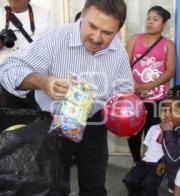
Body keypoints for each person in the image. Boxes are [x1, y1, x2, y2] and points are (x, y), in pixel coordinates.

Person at [0, 0, 133, 195]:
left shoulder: (118, 49)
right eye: (92, 26)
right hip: (54, 123)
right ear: (83, 15)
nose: (97, 38)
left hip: (94, 124)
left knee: (94, 186)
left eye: (107, 33)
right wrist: (43, 82)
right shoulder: (55, 38)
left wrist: (123, 116)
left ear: (117, 30)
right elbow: (8, 68)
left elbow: (124, 88)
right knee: (53, 184)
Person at [126, 5, 176, 165]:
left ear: (163, 24)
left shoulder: (168, 45)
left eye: (155, 19)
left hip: (157, 99)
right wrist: (135, 86)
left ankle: (148, 163)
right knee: (133, 131)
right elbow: (124, 65)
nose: (150, 22)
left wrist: (147, 86)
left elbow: (170, 71)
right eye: (148, 18)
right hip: (134, 97)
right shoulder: (134, 39)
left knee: (153, 132)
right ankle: (136, 161)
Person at [0, 0, 54, 108]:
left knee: (38, 121)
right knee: (10, 122)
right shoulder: (1, 15)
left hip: (37, 83)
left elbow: (54, 46)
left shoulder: (44, 15)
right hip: (7, 82)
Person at [123, 103, 167, 196]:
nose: (166, 115)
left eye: (170, 112)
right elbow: (146, 147)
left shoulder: (174, 132)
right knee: (129, 180)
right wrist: (141, 162)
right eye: (163, 111)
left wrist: (167, 132)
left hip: (158, 164)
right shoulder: (153, 128)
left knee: (148, 184)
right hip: (145, 162)